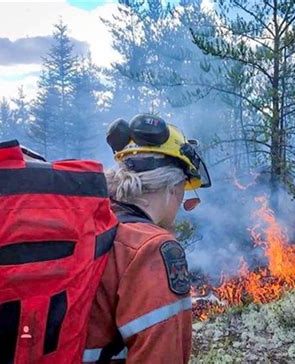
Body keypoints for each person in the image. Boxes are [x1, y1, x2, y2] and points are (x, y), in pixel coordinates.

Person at [83, 114, 211, 363]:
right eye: (184, 192)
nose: (181, 202)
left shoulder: (90, 223)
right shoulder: (153, 249)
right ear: (173, 187)